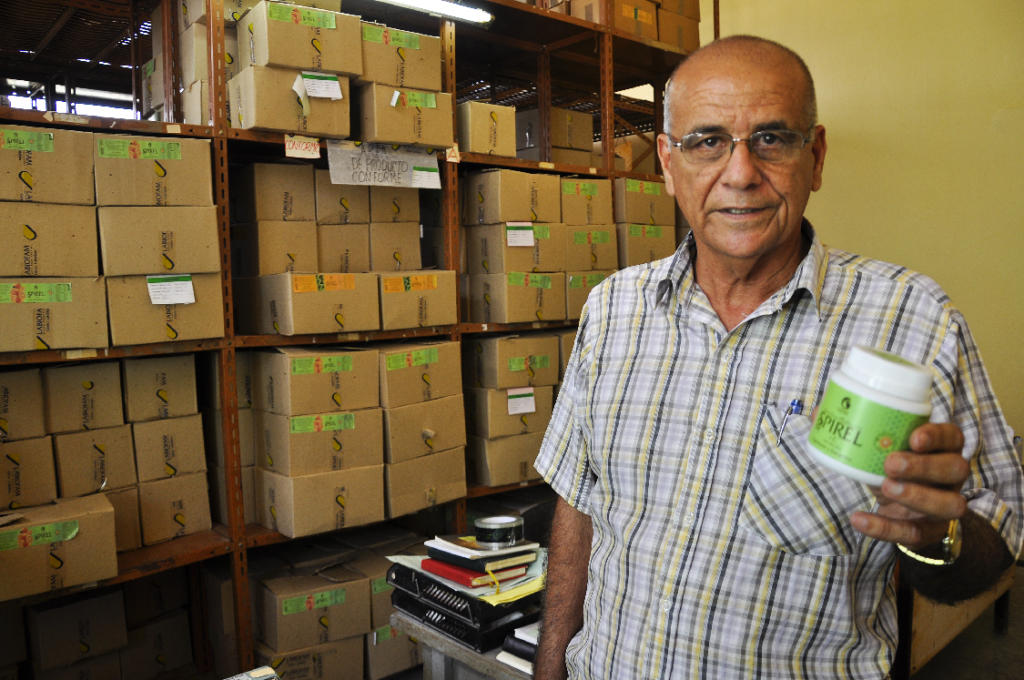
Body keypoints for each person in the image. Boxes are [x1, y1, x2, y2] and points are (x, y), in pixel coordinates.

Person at [533, 35, 1024, 679]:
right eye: (707, 141)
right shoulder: (613, 311)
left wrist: (939, 540)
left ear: (815, 158)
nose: (739, 173)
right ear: (666, 162)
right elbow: (579, 499)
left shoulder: (914, 321)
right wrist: (550, 665)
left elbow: (996, 540)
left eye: (772, 138)